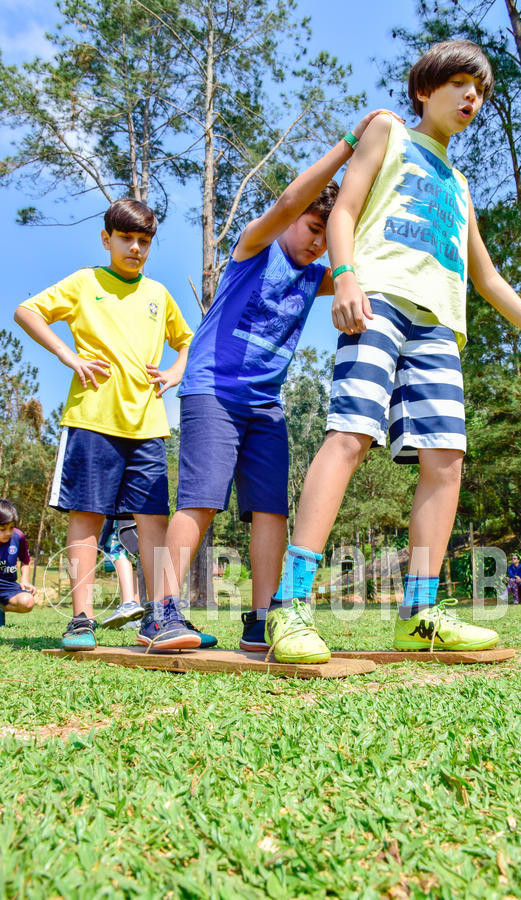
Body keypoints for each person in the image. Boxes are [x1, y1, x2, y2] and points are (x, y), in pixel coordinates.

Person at [264, 40, 521, 663]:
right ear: (424, 91)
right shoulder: (389, 132)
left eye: (480, 91)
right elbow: (345, 208)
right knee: (350, 434)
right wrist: (345, 275)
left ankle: (419, 615)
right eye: (459, 83)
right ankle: (289, 606)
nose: (471, 97)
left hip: (439, 326)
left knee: (447, 458)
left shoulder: (459, 184)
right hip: (377, 300)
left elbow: (486, 278)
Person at [146, 110, 398, 652]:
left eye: (324, 240)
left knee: (271, 509)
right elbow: (287, 203)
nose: (316, 246)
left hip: (266, 405)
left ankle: (261, 618)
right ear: (293, 222)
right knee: (202, 498)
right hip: (213, 391)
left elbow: (365, 262)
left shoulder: (316, 276)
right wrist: (352, 144)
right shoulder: (253, 249)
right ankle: (161, 611)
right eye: (312, 231)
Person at [14, 197, 211, 652]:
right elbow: (27, 312)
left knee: (152, 520)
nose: (135, 248)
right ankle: (81, 619)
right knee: (88, 516)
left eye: (144, 241)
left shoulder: (158, 295)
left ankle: (160, 617)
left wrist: (176, 372)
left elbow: (188, 342)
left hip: (147, 426)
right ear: (107, 239)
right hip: (92, 421)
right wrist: (69, 356)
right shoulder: (86, 282)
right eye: (126, 238)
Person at [98, 518, 145, 628]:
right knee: (131, 561)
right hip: (135, 518)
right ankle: (135, 615)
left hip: (122, 518)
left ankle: (128, 603)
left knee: (118, 551)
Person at [0, 499, 36, 627]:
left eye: (11, 527)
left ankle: (1, 608)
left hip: (7, 584)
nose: (8, 533)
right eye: (2, 529)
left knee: (28, 602)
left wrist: (24, 580)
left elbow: (25, 561)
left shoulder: (19, 536)